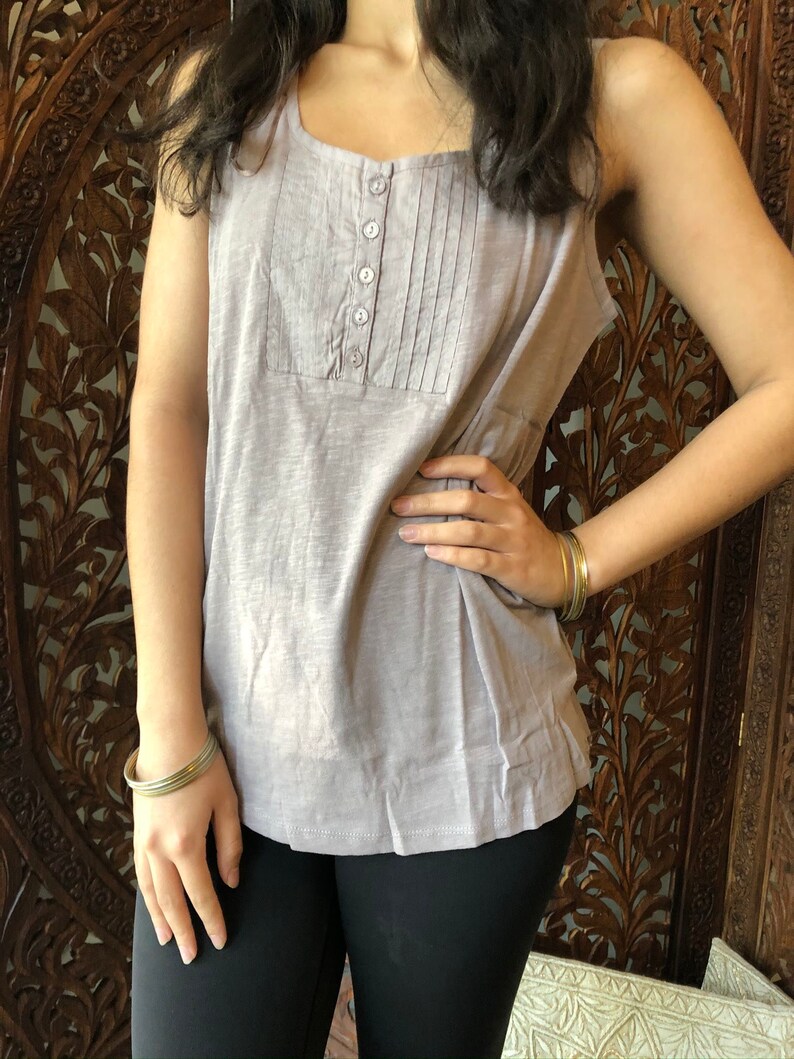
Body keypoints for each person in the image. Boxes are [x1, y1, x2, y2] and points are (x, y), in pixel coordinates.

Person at [118, 1, 794, 1056]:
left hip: (468, 758)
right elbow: (170, 409)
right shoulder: (224, 88)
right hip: (229, 745)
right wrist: (168, 741)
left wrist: (576, 559)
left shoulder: (614, 96)